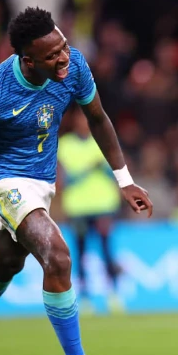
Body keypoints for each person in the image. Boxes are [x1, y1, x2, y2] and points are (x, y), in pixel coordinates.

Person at [0, 7, 152, 355]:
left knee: (8, 262)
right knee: (58, 255)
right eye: (53, 54)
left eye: (65, 46)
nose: (64, 58)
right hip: (2, 180)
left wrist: (125, 180)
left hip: (43, 179)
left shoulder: (73, 66)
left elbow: (98, 118)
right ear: (28, 60)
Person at [57, 111, 123, 313]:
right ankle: (85, 298)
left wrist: (102, 169)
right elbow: (63, 179)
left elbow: (115, 170)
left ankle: (113, 295)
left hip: (103, 205)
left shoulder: (102, 140)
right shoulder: (65, 145)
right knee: (80, 253)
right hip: (78, 207)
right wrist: (88, 168)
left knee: (106, 251)